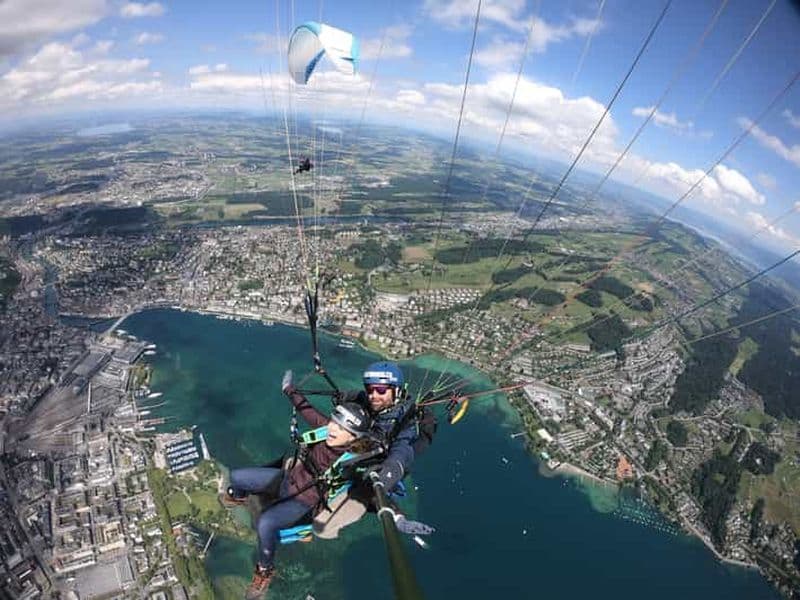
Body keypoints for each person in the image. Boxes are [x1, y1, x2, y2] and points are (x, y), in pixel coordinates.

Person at [221, 377, 373, 600]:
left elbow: (375, 471)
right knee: (236, 477)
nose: (331, 428)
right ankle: (243, 497)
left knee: (265, 523)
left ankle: (265, 571)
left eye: (340, 428)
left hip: (304, 501)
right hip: (287, 479)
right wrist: (289, 389)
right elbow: (306, 410)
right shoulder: (326, 431)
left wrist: (390, 502)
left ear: (352, 437)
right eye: (333, 421)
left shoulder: (353, 459)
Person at [312, 361, 436, 540]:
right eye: (370, 389)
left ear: (397, 391)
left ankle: (397, 516)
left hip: (378, 465)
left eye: (380, 390)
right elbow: (354, 396)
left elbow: (401, 454)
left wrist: (396, 515)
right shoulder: (368, 400)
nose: (373, 395)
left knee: (323, 526)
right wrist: (341, 397)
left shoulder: (406, 423)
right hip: (359, 452)